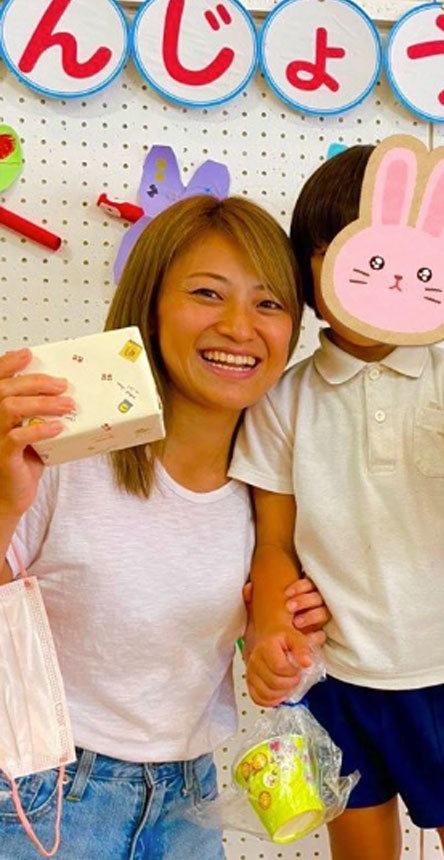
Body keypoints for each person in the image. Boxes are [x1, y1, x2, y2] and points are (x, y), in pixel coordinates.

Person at [232, 144, 444, 860]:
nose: (381, 279)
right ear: (309, 267)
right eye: (347, 252)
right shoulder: (283, 398)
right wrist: (270, 630)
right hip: (337, 676)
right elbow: (273, 541)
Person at [0, 195, 324, 859]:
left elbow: (269, 629)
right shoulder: (58, 452)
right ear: (148, 305)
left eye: (268, 303)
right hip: (41, 796)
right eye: (207, 293)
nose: (239, 327)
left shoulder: (279, 486)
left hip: (189, 798)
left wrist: (283, 658)